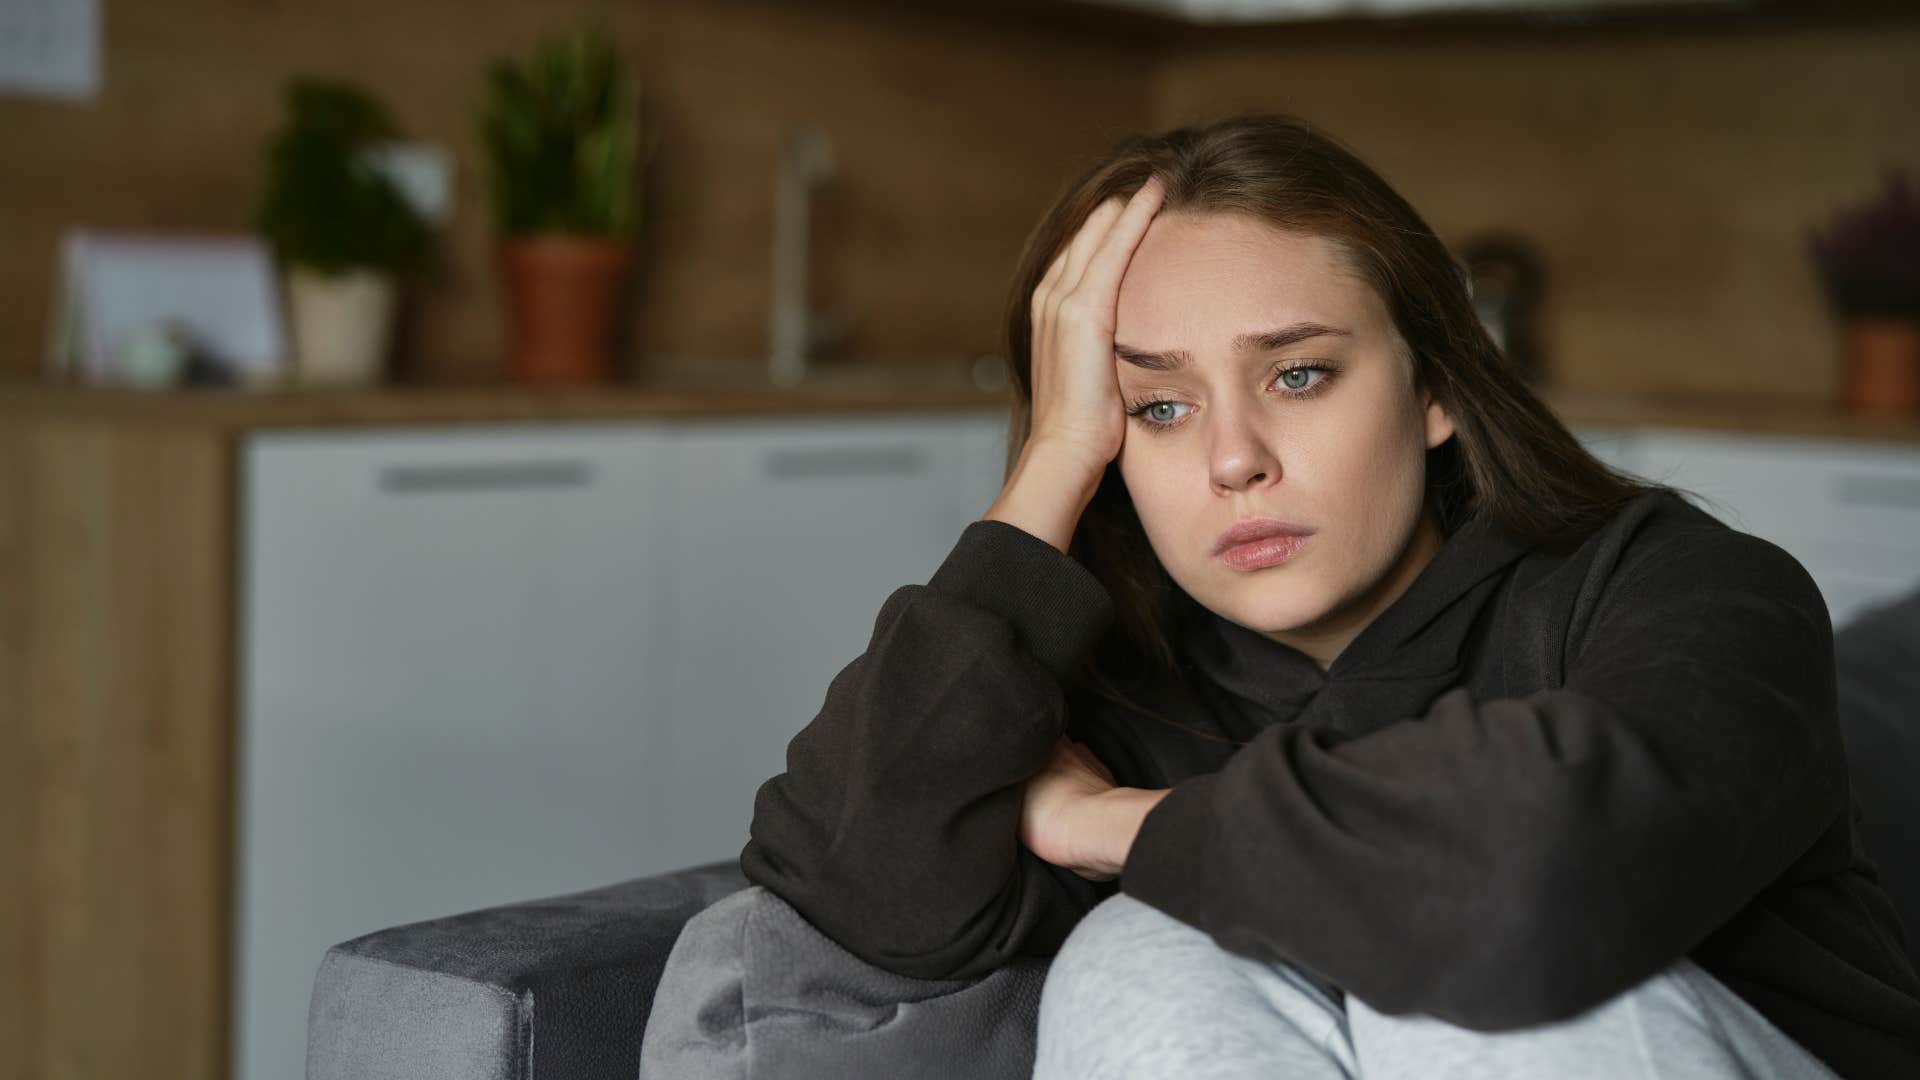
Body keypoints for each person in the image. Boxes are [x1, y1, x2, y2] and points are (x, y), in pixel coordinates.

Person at [737, 114, 1920, 1078]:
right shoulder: (1122, 689)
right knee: (1146, 956)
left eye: (1299, 375)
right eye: (1159, 407)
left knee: (1439, 974)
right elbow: (851, 894)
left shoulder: (1686, 589)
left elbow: (1529, 890)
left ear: (1436, 386)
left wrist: (1110, 825)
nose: (1232, 459)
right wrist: (1051, 462)